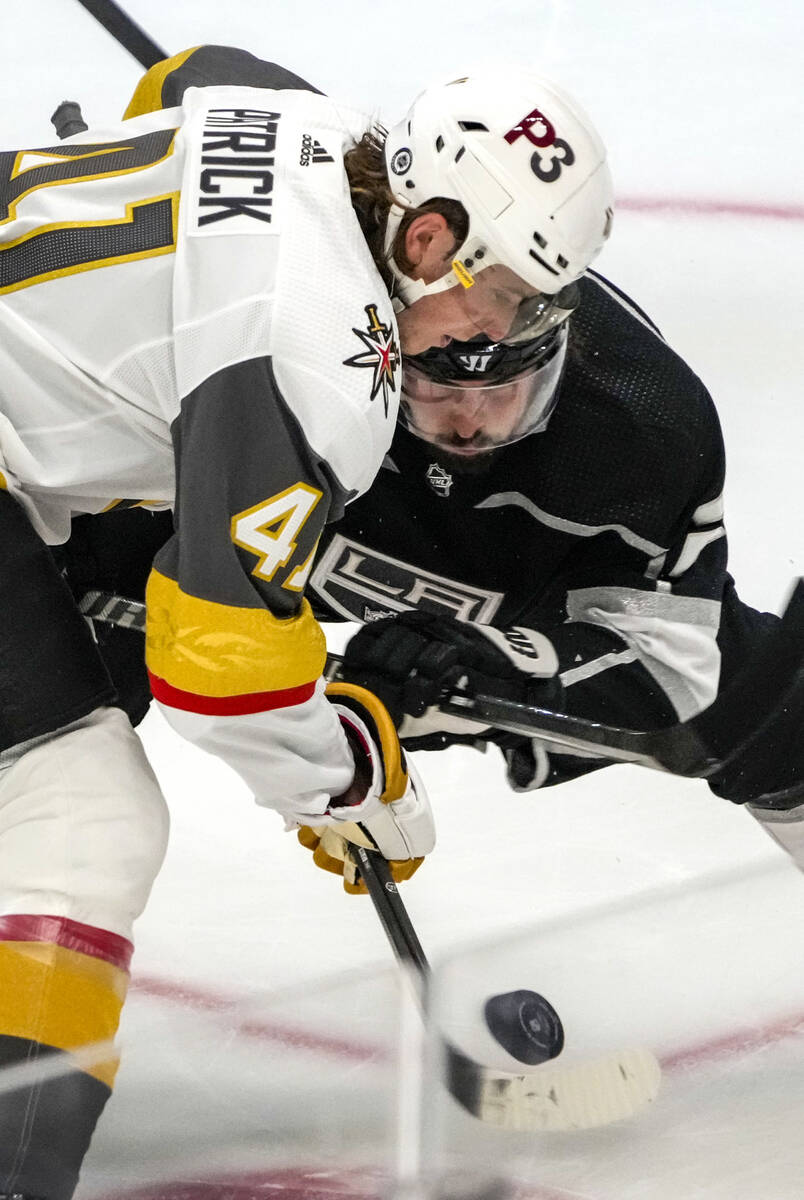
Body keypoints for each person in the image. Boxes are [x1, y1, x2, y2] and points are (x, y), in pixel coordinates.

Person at [0, 43, 616, 1200]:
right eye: (510, 294)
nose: (509, 326)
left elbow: (184, 74)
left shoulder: (311, 126)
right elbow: (218, 664)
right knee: (81, 815)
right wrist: (348, 782)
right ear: (427, 241)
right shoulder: (330, 356)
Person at [304, 275, 803, 852]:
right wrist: (286, 747)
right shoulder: (304, 364)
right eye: (437, 389)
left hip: (537, 575)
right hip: (321, 515)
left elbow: (673, 657)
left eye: (502, 390)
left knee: (772, 709)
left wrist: (502, 668)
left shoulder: (641, 423)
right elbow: (181, 560)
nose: (468, 423)